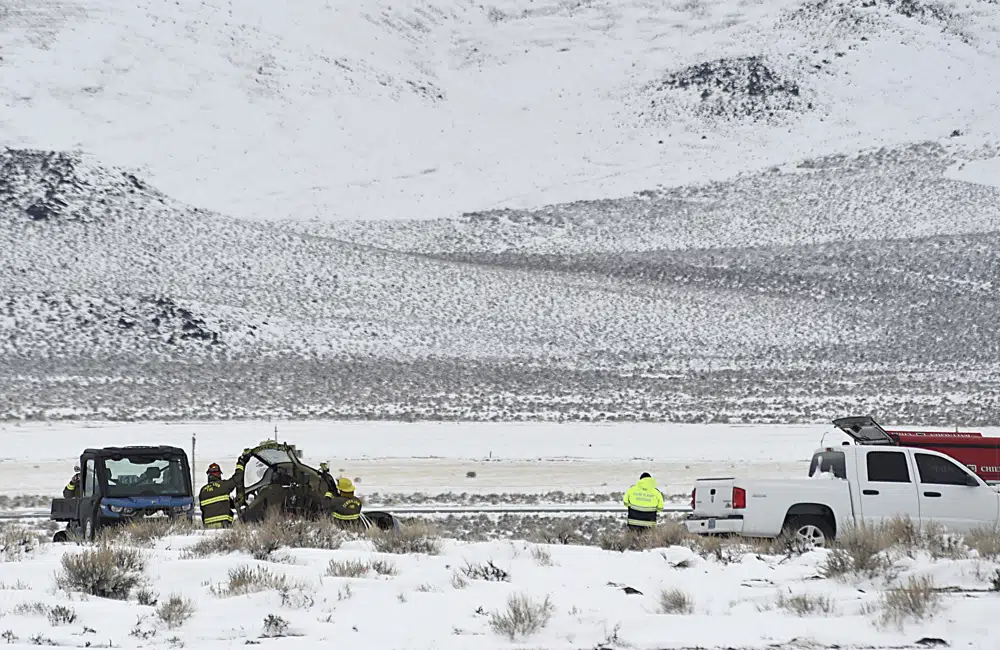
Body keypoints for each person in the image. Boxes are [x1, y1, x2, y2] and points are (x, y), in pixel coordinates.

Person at [198, 452, 249, 529]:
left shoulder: (202, 491)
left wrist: (233, 503)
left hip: (208, 527)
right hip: (223, 525)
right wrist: (241, 463)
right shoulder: (224, 485)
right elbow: (237, 478)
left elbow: (213, 505)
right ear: (219, 475)